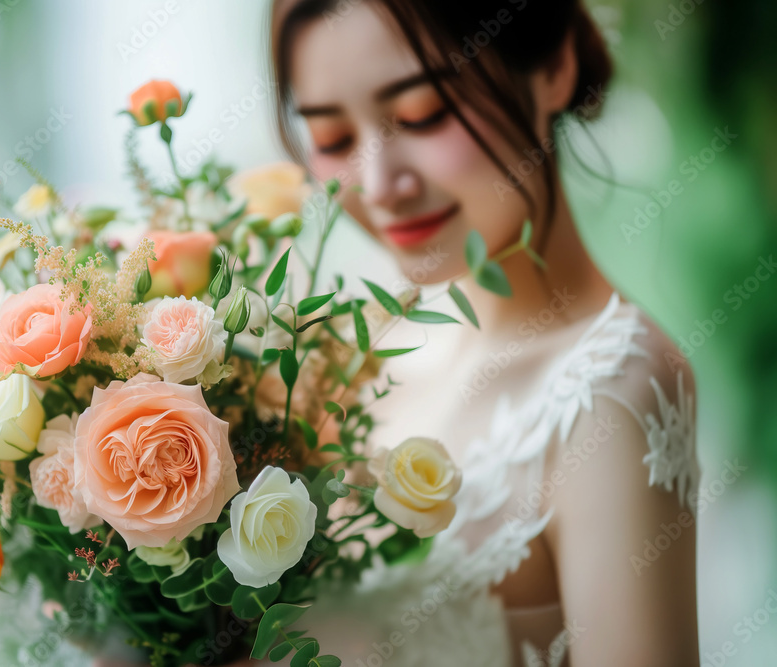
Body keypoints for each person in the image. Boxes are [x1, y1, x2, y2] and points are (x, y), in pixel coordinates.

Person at [257, 0, 701, 665]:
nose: (380, 184)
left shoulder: (611, 387)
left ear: (552, 67)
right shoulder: (357, 357)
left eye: (422, 114)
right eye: (334, 139)